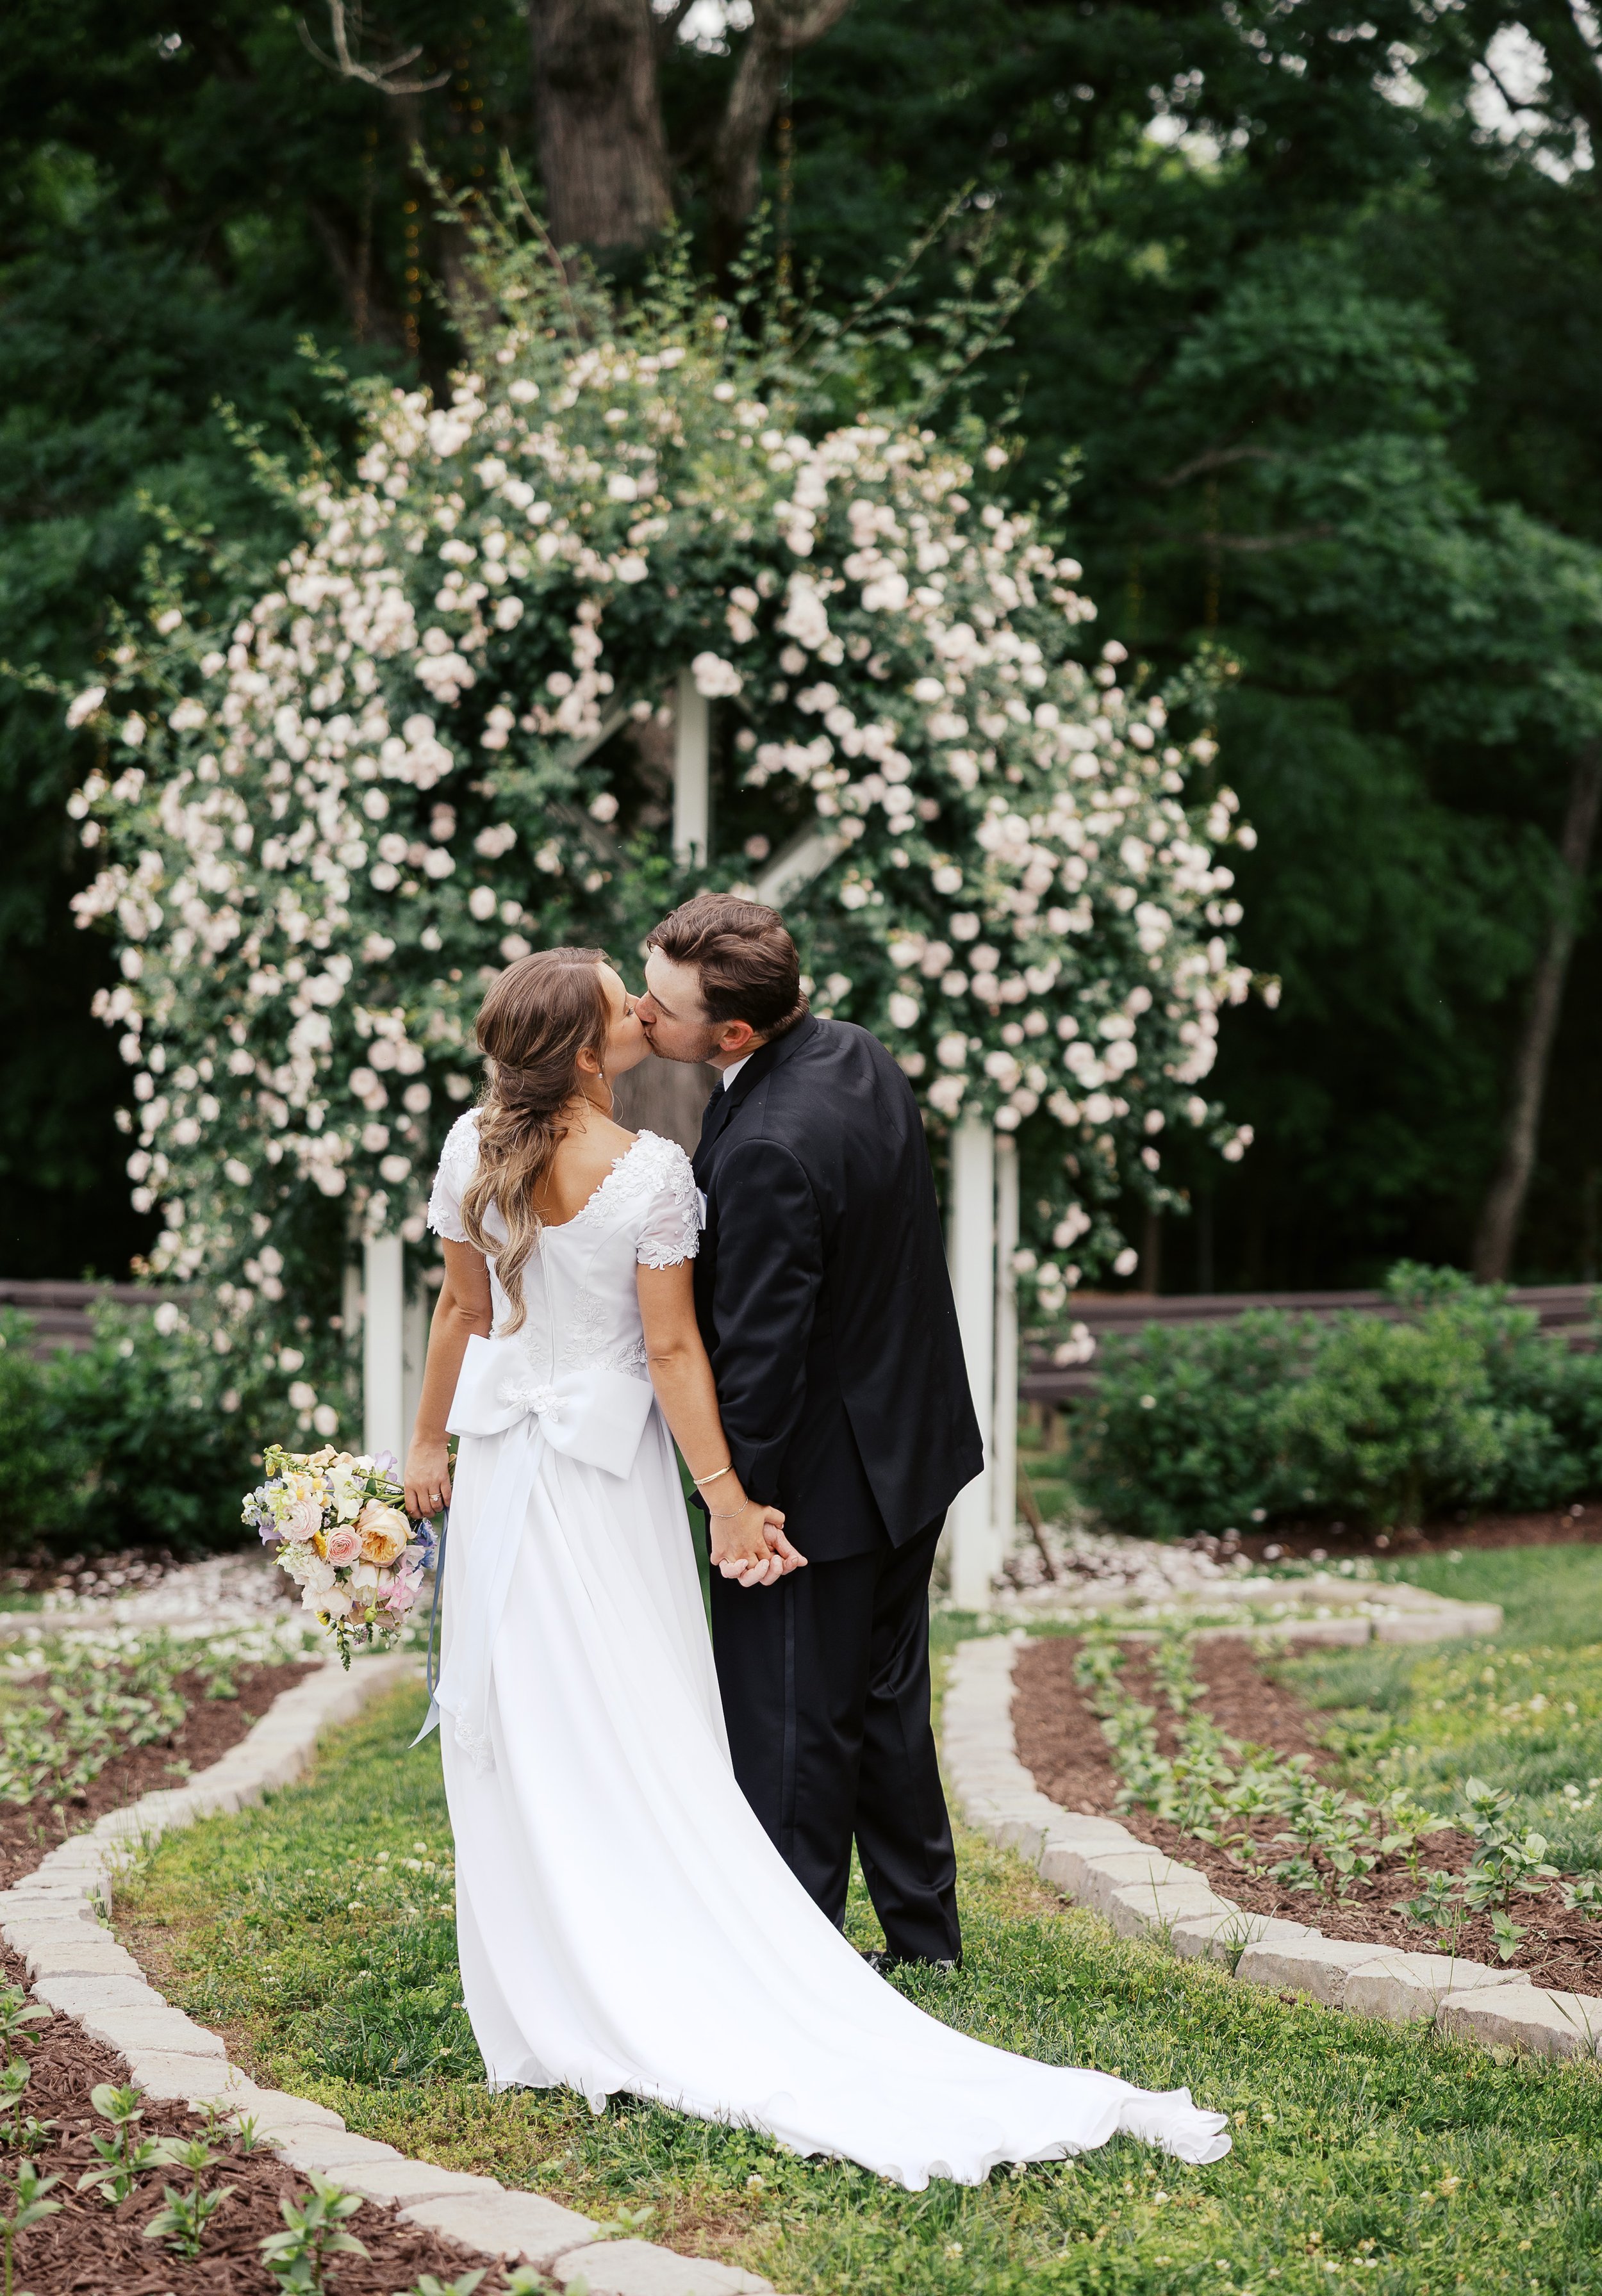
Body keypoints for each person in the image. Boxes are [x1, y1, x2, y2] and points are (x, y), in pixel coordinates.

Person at [402, 942, 1230, 2186]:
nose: (644, 1011)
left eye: (657, 997)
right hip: (629, 1477)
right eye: (627, 1003)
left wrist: (425, 1444)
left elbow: (463, 1314)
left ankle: (553, 1973)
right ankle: (798, 1932)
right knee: (653, 1710)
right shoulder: (678, 1158)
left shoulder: (475, 1147)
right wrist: (726, 1497)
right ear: (585, 1051)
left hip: (512, 1470)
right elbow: (678, 1355)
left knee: (538, 1718)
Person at [634, 893, 980, 1970]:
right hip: (911, 1447)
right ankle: (924, 1943)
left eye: (662, 1006)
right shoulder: (858, 1055)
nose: (644, 1017)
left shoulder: (768, 1148)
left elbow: (761, 1359)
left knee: (791, 1733)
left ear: (732, 1034)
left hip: (819, 1489)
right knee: (884, 1707)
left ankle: (795, 1967)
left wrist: (739, 1507)